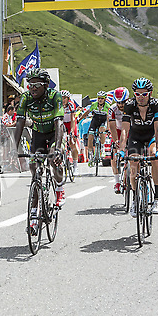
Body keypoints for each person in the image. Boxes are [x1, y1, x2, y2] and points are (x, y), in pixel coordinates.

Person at [13, 68, 66, 221]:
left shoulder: (55, 96)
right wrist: (13, 148)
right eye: (30, 84)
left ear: (46, 85)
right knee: (34, 167)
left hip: (54, 132)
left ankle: (59, 188)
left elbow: (59, 122)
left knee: (53, 159)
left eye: (37, 84)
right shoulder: (26, 98)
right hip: (38, 134)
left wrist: (57, 148)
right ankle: (35, 210)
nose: (33, 88)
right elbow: (20, 123)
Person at [118, 78, 158, 216]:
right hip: (136, 136)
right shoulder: (129, 105)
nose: (141, 97)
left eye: (144, 94)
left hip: (151, 136)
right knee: (133, 162)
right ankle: (135, 200)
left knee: (154, 156)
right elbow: (125, 131)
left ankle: (157, 198)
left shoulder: (156, 105)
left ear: (150, 93)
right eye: (138, 94)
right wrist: (121, 150)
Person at [77, 91, 110, 166]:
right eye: (99, 98)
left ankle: (102, 148)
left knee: (102, 130)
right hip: (95, 121)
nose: (100, 100)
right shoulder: (94, 105)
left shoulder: (107, 106)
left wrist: (108, 128)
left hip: (103, 121)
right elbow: (86, 113)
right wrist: (79, 120)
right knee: (90, 136)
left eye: (102, 98)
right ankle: (91, 154)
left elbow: (108, 118)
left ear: (105, 99)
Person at [108, 87, 130, 193]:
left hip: (130, 130)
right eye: (118, 103)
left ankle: (128, 176)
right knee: (114, 154)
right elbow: (112, 126)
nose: (120, 105)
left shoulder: (132, 107)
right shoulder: (112, 109)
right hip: (118, 131)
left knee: (131, 155)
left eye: (123, 102)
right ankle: (117, 182)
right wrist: (116, 140)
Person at [61, 90, 79, 174]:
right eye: (62, 98)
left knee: (72, 143)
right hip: (63, 123)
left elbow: (72, 119)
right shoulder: (58, 105)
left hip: (71, 123)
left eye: (65, 98)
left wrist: (72, 131)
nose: (63, 100)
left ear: (68, 99)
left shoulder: (71, 104)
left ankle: (75, 165)